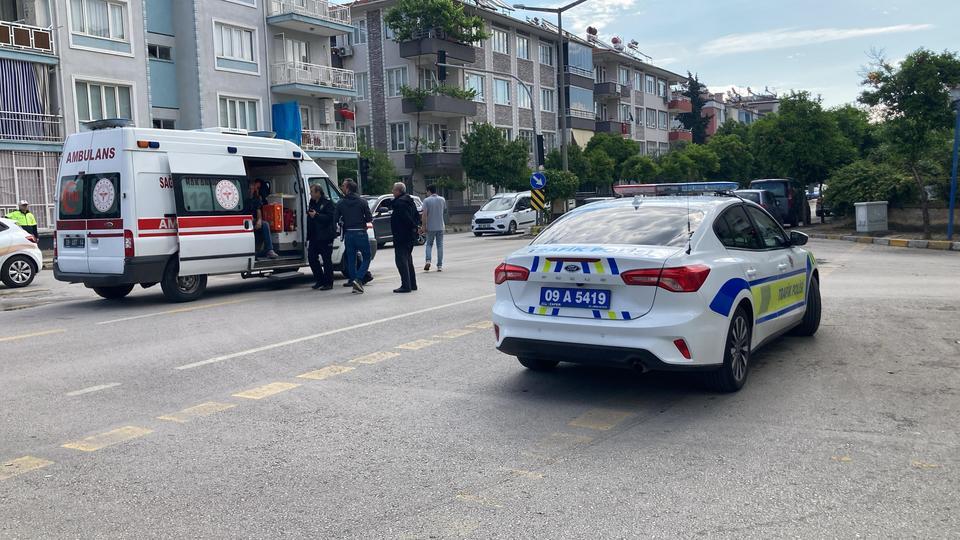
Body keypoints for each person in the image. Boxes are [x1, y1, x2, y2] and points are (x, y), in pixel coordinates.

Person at [336, 179, 373, 294]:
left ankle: (354, 281)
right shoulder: (362, 201)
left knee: (351, 260)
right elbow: (369, 218)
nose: (341, 188)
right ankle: (358, 279)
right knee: (367, 257)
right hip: (361, 232)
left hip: (349, 233)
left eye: (343, 186)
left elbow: (336, 218)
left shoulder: (340, 203)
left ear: (347, 188)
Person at [390, 182, 420, 293]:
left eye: (394, 190)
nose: (392, 192)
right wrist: (415, 227)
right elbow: (416, 216)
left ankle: (406, 285)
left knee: (401, 260)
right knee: (408, 259)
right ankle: (412, 284)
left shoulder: (400, 203)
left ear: (398, 191)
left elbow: (406, 219)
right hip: (410, 235)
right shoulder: (410, 201)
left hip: (402, 236)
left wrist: (411, 226)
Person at [306, 184, 336, 290]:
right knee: (312, 258)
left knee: (326, 260)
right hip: (314, 236)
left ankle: (328, 283)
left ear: (318, 193)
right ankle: (320, 280)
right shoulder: (312, 202)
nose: (310, 194)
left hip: (325, 236)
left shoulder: (327, 203)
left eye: (312, 192)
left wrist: (317, 215)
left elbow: (330, 218)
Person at [246, 180, 278, 259]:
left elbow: (258, 211)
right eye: (249, 189)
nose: (250, 190)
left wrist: (259, 220)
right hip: (245, 221)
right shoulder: (244, 199)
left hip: (254, 221)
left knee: (265, 224)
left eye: (252, 189)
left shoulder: (257, 198)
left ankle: (270, 250)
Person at [420, 185, 446, 272]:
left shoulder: (426, 200)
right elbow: (443, 211)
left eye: (426, 192)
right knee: (440, 245)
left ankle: (428, 261)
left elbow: (424, 215)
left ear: (429, 191)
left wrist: (423, 226)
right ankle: (439, 265)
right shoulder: (442, 199)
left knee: (429, 244)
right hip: (440, 226)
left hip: (430, 227)